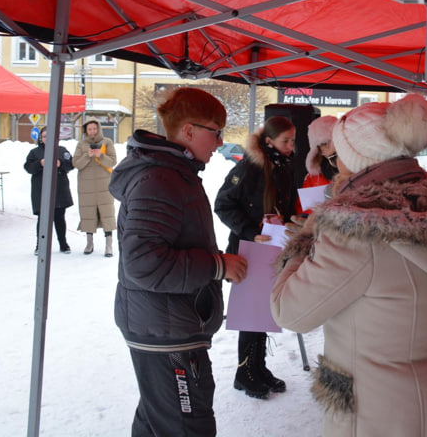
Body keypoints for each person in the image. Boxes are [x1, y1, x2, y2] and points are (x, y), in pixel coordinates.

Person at [270, 94, 427, 437]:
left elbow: (288, 311)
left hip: (376, 412)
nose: (335, 166)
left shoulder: (355, 233)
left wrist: (304, 241)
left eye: (338, 155)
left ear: (356, 158)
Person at [108, 86, 248, 437]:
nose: (219, 143)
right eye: (215, 133)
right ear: (189, 130)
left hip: (170, 324)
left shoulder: (173, 174)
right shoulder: (160, 179)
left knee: (161, 421)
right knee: (185, 427)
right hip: (165, 331)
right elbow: (142, 264)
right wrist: (218, 265)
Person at [214, 115, 299, 400]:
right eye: (286, 141)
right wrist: (251, 232)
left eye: (293, 140)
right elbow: (223, 205)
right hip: (249, 249)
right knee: (251, 312)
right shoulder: (249, 167)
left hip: (273, 247)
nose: (291, 146)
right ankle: (244, 372)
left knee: (263, 310)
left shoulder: (283, 167)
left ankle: (257, 367)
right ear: (268, 141)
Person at [24, 126, 74, 254]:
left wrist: (60, 164)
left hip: (59, 190)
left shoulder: (62, 150)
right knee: (43, 219)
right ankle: (40, 245)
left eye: (50, 136)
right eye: (45, 136)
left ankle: (63, 244)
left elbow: (71, 164)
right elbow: (28, 167)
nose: (47, 138)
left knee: (59, 218)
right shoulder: (34, 153)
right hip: (41, 191)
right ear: (41, 138)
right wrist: (39, 164)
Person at [73, 119, 117, 257]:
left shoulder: (107, 142)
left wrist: (100, 155)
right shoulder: (81, 144)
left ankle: (109, 245)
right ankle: (89, 243)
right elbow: (76, 163)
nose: (92, 131)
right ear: (85, 130)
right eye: (89, 129)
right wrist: (88, 155)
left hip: (104, 185)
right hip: (86, 186)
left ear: (98, 129)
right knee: (88, 214)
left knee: (106, 213)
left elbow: (113, 161)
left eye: (94, 128)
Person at [298, 115, 338, 214]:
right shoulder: (313, 177)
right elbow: (303, 209)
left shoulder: (352, 169)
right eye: (320, 145)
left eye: (326, 143)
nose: (324, 148)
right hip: (319, 225)